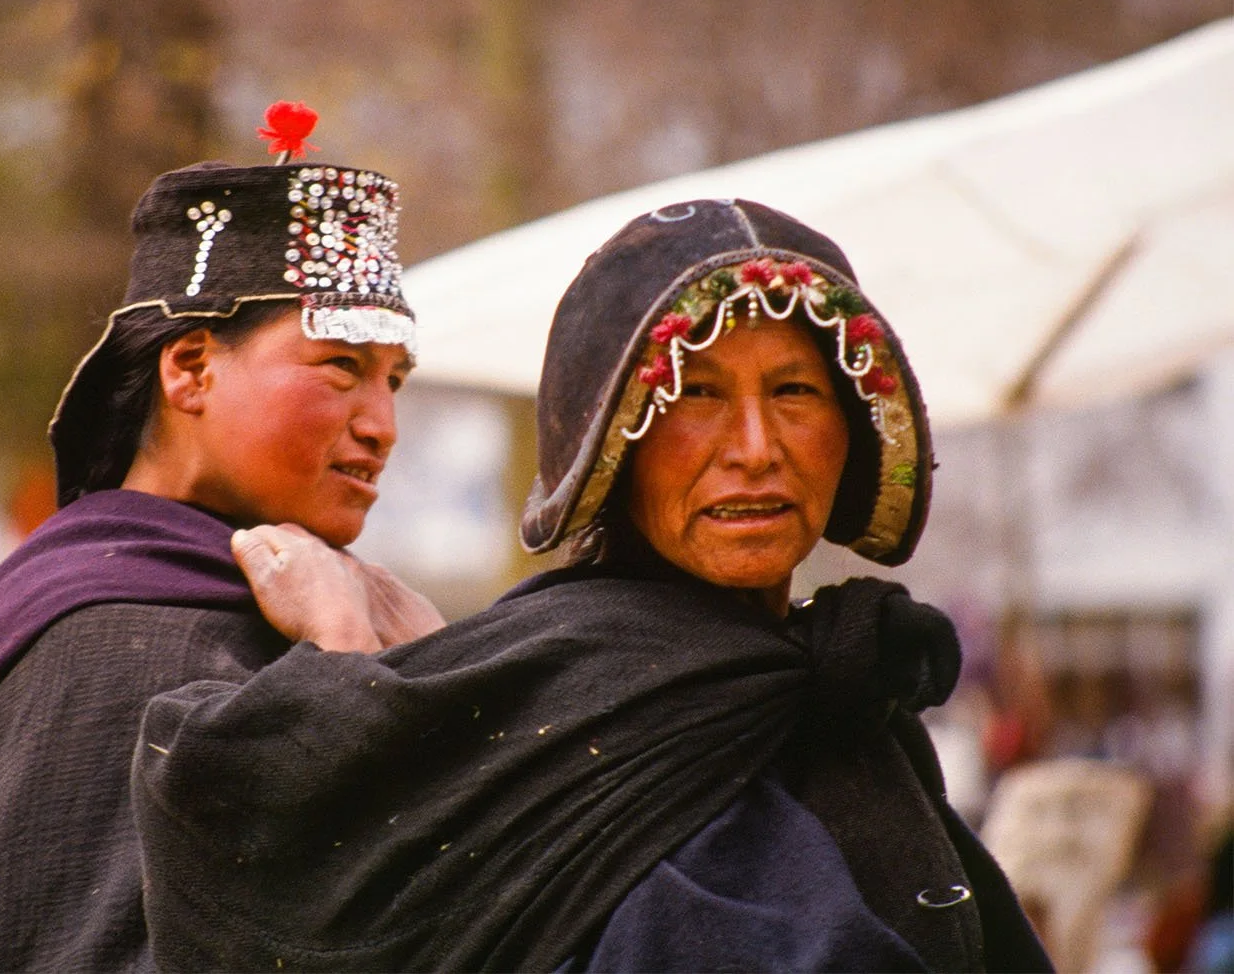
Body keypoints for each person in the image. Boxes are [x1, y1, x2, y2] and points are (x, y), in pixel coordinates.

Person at [135, 199, 1053, 971]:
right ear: (615, 445)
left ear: (854, 428)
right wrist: (345, 668)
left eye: (795, 393)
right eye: (695, 393)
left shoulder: (845, 703)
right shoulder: (534, 692)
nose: (756, 449)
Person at [0, 103, 439, 970]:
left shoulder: (133, 594)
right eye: (342, 368)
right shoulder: (116, 639)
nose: (382, 424)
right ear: (191, 368)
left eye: (394, 379)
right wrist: (350, 663)